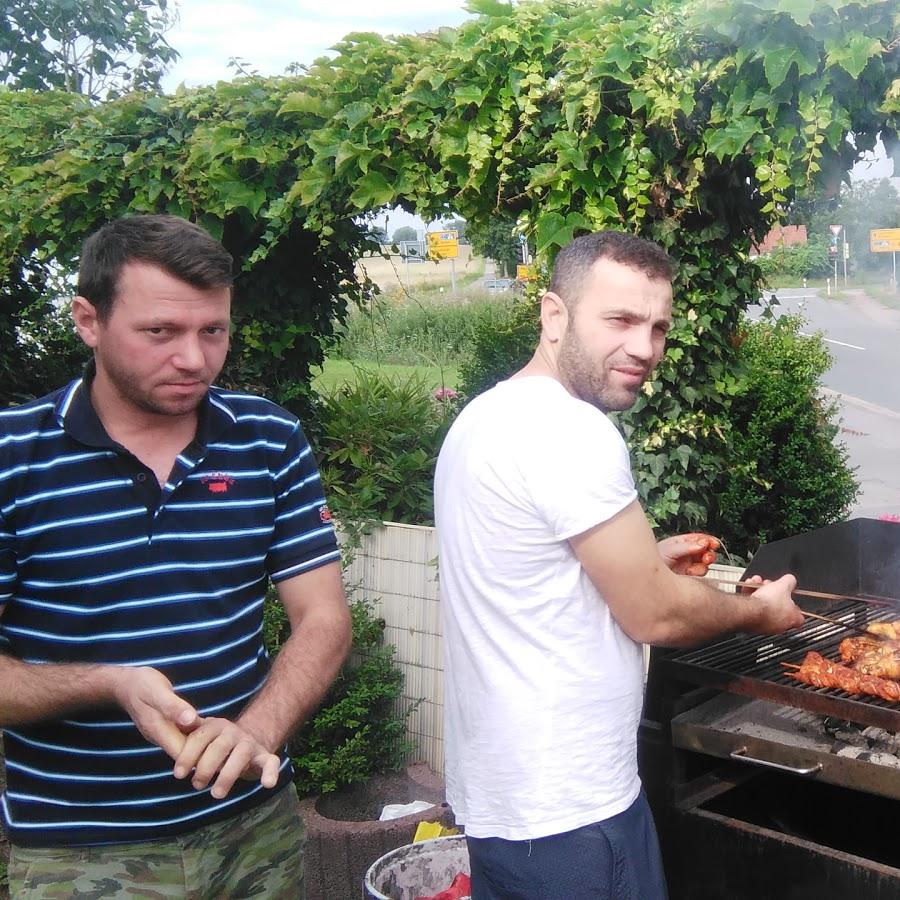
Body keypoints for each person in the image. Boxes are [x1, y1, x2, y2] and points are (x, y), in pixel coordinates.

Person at [433, 230, 803, 899]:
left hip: (501, 805)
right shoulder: (573, 432)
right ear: (554, 315)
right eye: (622, 320)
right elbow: (656, 615)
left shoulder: (484, 418)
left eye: (658, 327)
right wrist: (761, 613)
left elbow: (527, 568)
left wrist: (647, 558)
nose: (644, 348)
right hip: (574, 813)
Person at [0, 214, 352, 897]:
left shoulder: (268, 440)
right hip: (80, 855)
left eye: (212, 331)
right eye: (160, 332)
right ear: (87, 320)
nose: (194, 358)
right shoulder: (13, 458)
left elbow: (324, 619)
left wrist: (257, 733)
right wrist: (110, 683)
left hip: (255, 833)